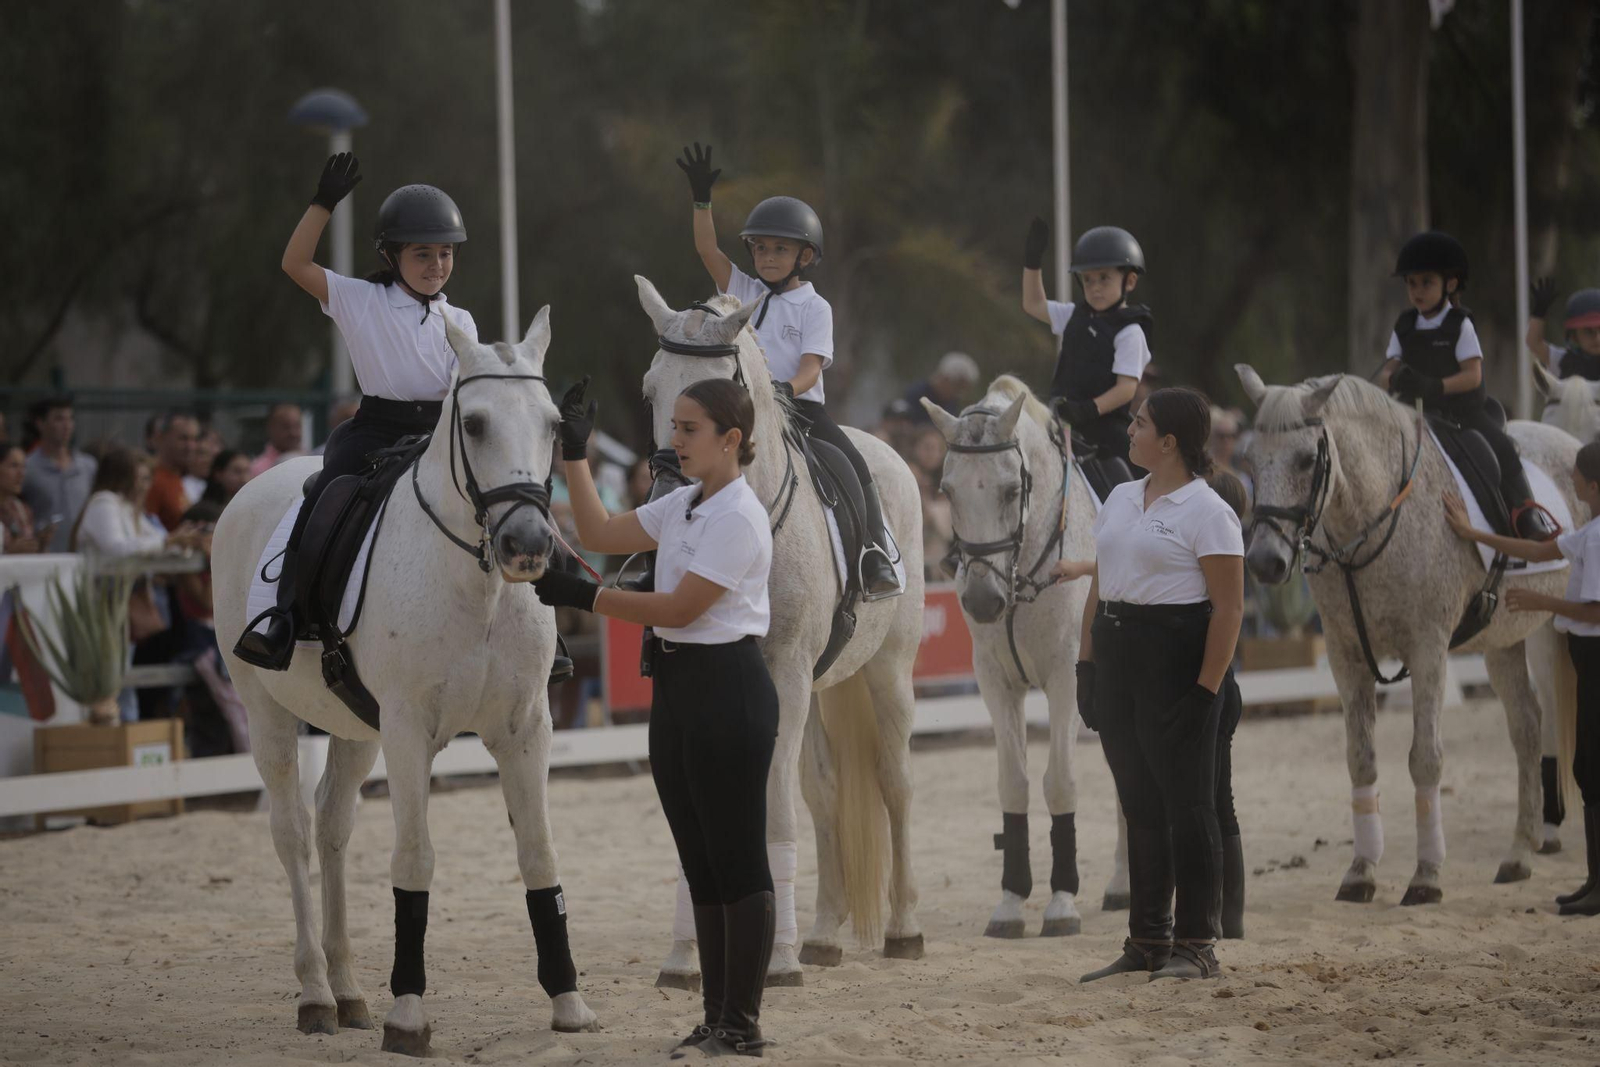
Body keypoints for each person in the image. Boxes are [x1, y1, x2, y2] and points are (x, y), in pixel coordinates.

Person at [232, 154, 571, 682]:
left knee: (512, 500)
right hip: (375, 431)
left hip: (440, 434)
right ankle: (286, 616)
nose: (436, 265)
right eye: (422, 254)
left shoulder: (460, 319)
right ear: (391, 256)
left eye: (445, 254)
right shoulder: (360, 299)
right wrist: (322, 204)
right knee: (325, 499)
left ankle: (541, 629)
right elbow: (295, 264)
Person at [535, 376, 779, 1056]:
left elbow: (679, 608)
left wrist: (585, 595)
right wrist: (574, 453)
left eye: (689, 428)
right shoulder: (684, 503)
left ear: (731, 439)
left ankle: (742, 1025)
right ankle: (716, 1017)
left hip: (728, 687)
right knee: (701, 861)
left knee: (738, 859)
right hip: (677, 687)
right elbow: (597, 530)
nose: (675, 439)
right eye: (674, 425)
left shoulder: (738, 515)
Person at [677, 141, 900, 600]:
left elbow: (811, 371)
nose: (767, 256)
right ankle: (663, 555)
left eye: (780, 248)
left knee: (852, 463)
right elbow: (706, 248)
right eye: (760, 248)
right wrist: (701, 201)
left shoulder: (815, 307)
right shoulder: (741, 288)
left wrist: (780, 391)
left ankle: (873, 551)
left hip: (799, 411)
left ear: (805, 256)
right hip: (740, 411)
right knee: (676, 459)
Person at [1075, 388, 1244, 982]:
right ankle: (1148, 938)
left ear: (1169, 442)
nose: (1129, 431)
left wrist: (1206, 691)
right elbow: (1100, 583)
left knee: (1189, 806)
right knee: (1139, 803)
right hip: (1118, 653)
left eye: (1140, 424)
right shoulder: (1121, 496)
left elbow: (1229, 609)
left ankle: (1197, 943)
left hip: (1176, 658)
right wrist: (1086, 665)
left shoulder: (1209, 511)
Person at [1443, 441, 1600, 916]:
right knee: (1586, 768)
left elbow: (1595, 611)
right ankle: (1594, 880)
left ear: (1594, 486)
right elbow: (1535, 549)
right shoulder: (1588, 532)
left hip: (1596, 654)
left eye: (1577, 477)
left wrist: (1541, 602)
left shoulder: (1597, 539)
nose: (1571, 481)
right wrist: (1473, 532)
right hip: (1587, 656)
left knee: (1593, 768)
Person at [1380, 231, 1556, 541]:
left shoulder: (1459, 325)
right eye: (1411, 283)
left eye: (1426, 283)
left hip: (1463, 414)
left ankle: (1527, 514)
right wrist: (1394, 379)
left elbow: (1472, 376)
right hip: (1416, 412)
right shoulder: (1405, 324)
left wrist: (1434, 386)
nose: (1417, 291)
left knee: (1503, 448)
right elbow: (1387, 369)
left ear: (1449, 284)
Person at [1021, 218, 1153, 469]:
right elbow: (1033, 304)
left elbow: (1126, 389)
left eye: (1104, 278)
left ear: (1130, 281)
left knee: (1126, 473)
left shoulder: (1130, 332)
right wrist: (1032, 261)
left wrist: (1087, 410)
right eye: (1088, 279)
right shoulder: (1073, 315)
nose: (1095, 288)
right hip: (1061, 420)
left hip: (1104, 429)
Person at [19, 396, 95, 552]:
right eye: (59, 419)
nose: (67, 425)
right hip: (47, 557)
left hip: (84, 556)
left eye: (70, 419)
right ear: (40, 424)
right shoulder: (27, 468)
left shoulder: (88, 466)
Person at [1527, 278, 1600, 381]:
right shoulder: (1563, 361)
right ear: (1574, 337)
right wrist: (1539, 312)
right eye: (1588, 331)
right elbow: (1534, 343)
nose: (1597, 338)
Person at [145, 412, 199, 533]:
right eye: (183, 438)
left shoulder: (179, 478)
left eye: (194, 439)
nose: (191, 446)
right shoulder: (151, 480)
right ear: (160, 438)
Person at [902, 352, 981, 424]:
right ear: (945, 379)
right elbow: (907, 426)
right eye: (958, 388)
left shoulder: (951, 402)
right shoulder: (916, 395)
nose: (960, 395)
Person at [1, 441, 45, 555]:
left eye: (23, 467)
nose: (21, 474)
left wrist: (40, 545)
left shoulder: (23, 510)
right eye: (14, 466)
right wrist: (8, 553)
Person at [248, 403, 305, 477]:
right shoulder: (258, 471)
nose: (293, 433)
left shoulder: (311, 462)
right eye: (286, 427)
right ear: (271, 428)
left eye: (297, 426)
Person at [184, 425, 222, 504]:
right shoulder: (178, 483)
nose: (207, 460)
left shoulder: (218, 488)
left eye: (209, 455)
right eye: (201, 454)